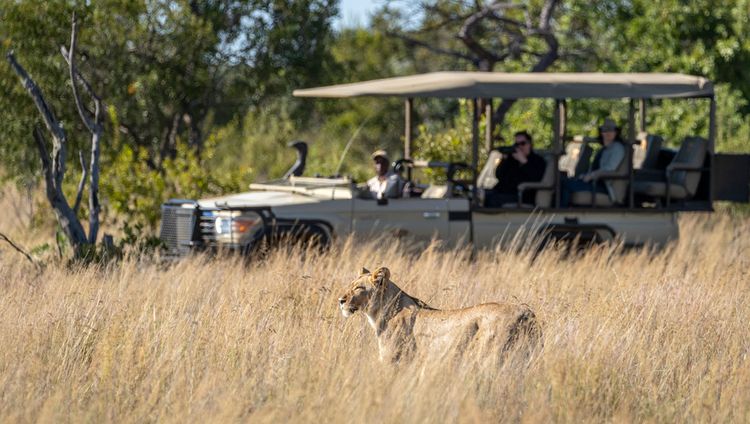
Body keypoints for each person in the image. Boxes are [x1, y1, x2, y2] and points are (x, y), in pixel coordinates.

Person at [560, 118, 626, 207]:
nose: (608, 133)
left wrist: (592, 175)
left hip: (603, 186)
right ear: (601, 132)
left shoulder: (617, 148)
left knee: (565, 184)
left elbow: (610, 169)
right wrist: (586, 175)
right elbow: (596, 167)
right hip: (594, 182)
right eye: (605, 130)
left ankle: (562, 210)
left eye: (611, 130)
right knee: (563, 180)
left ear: (616, 132)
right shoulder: (603, 149)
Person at [486, 131, 547, 206]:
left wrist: (524, 162)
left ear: (530, 144)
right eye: (516, 144)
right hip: (502, 192)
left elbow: (536, 178)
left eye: (523, 143)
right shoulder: (512, 159)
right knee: (482, 195)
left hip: (523, 196)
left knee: (493, 199)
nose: (520, 147)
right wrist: (504, 159)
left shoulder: (538, 161)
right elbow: (498, 175)